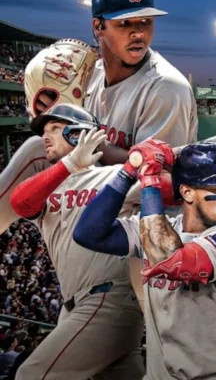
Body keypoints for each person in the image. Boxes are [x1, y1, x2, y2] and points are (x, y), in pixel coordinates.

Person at [0, 0, 197, 233]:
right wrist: (48, 121)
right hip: (98, 192)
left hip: (147, 216)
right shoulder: (87, 77)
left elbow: (157, 179)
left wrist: (90, 146)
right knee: (38, 148)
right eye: (124, 24)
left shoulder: (166, 87)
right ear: (98, 27)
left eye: (145, 21)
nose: (138, 32)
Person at [72, 141, 216, 379]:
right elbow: (87, 233)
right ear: (187, 192)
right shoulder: (155, 231)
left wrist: (149, 178)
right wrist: (128, 172)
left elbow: (167, 258)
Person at [9, 104, 144, 379]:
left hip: (110, 297)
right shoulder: (47, 186)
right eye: (44, 131)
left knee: (31, 375)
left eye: (55, 129)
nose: (45, 137)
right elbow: (19, 202)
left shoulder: (114, 177)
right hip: (75, 305)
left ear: (79, 134)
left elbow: (165, 184)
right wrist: (69, 165)